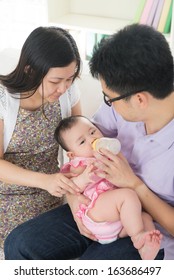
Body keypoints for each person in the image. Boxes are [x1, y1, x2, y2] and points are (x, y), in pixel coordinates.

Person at [4, 23, 173, 260]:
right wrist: (75, 201)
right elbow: (79, 147)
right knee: (20, 244)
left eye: (110, 98)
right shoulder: (120, 107)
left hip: (148, 226)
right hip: (94, 202)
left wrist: (134, 186)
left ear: (140, 100)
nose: (108, 103)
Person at [0, 26, 83, 249]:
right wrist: (45, 181)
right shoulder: (3, 100)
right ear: (30, 70)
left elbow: (80, 139)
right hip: (7, 196)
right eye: (56, 81)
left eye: (70, 79)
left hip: (53, 193)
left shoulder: (68, 92)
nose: (64, 88)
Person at [55, 115, 162, 260]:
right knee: (127, 196)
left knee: (145, 217)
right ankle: (137, 237)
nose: (92, 139)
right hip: (96, 211)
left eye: (92, 132)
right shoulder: (80, 164)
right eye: (82, 141)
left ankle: (146, 249)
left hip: (119, 223)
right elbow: (71, 186)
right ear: (72, 154)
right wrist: (84, 178)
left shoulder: (109, 152)